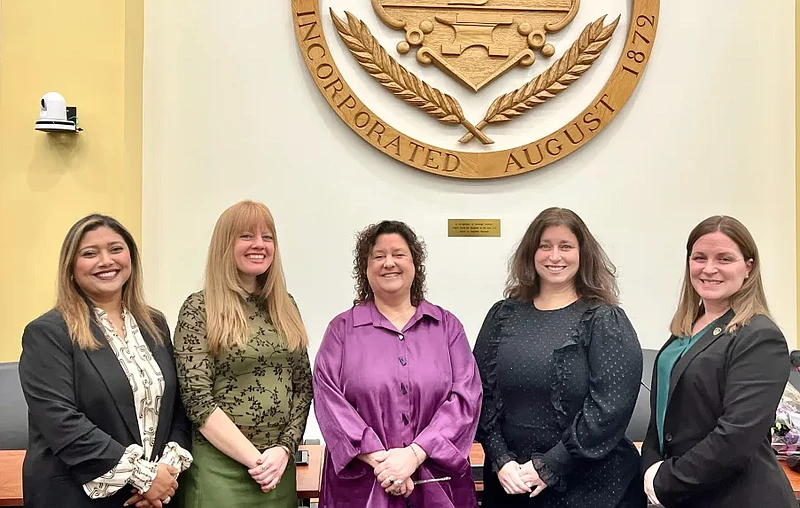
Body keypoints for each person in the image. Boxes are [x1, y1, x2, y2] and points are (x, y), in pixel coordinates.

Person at [474, 207, 645, 508]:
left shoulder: (604, 320)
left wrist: (551, 465)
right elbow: (479, 394)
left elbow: (610, 409)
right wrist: (500, 458)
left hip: (589, 486)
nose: (555, 256)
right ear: (532, 253)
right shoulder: (502, 315)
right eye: (545, 246)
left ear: (582, 255)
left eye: (565, 246)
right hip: (511, 484)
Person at [18, 214, 192, 508]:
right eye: (89, 253)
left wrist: (166, 474)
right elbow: (62, 422)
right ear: (71, 267)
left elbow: (177, 406)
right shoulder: (48, 333)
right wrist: (146, 477)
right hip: (76, 495)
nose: (106, 261)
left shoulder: (154, 323)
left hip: (154, 498)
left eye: (115, 249)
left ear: (131, 258)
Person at [313, 220, 482, 508]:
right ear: (365, 269)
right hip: (364, 485)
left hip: (438, 486)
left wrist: (414, 454)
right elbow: (327, 399)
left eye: (399, 254)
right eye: (378, 256)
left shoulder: (447, 327)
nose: (389, 263)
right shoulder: (341, 330)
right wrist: (384, 464)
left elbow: (467, 397)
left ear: (415, 264)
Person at [641, 215, 796, 507]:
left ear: (748, 267)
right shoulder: (686, 330)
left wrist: (665, 481)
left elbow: (736, 437)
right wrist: (649, 467)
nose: (709, 268)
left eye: (724, 259)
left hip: (738, 496)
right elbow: (662, 416)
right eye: (700, 257)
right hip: (686, 493)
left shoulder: (760, 336)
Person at [173, 200, 312, 508]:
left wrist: (285, 450)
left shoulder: (284, 305)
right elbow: (197, 400)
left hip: (277, 472)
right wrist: (256, 460)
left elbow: (303, 387)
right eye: (246, 236)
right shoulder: (199, 308)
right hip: (219, 472)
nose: (259, 245)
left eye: (268, 237)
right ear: (226, 244)